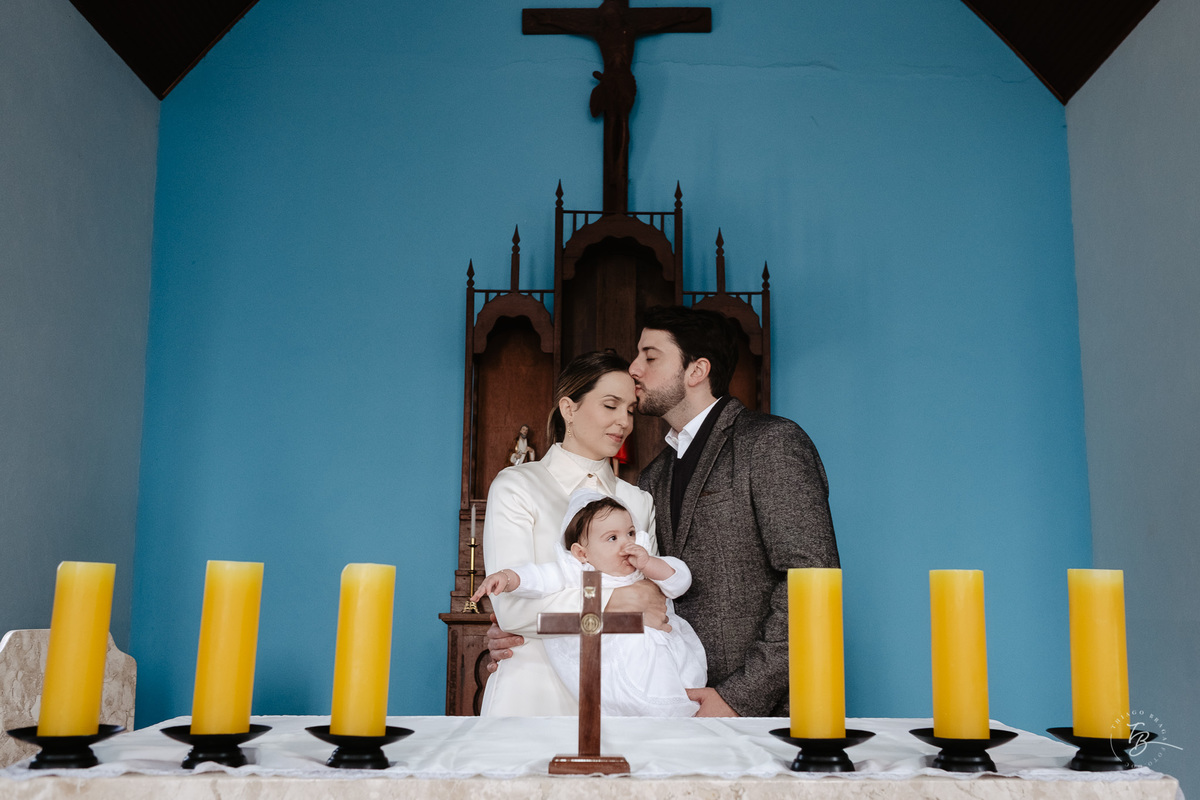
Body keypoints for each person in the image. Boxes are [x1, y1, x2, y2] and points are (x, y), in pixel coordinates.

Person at [629, 305, 840, 717]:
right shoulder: (652, 476)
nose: (634, 368)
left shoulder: (770, 443)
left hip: (764, 713)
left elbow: (811, 582)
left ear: (696, 371)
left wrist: (739, 698)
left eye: (650, 357)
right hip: (671, 703)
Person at [478, 351, 668, 716]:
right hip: (533, 691)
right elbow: (513, 610)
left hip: (622, 693)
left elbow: (656, 608)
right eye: (610, 405)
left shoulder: (638, 502)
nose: (623, 422)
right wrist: (616, 603)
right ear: (569, 408)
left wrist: (561, 608)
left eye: (629, 410)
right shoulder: (518, 485)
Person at [473, 488, 706, 717]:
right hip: (608, 659)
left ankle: (672, 707)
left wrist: (649, 564)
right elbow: (538, 578)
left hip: (659, 653)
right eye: (612, 538)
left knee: (671, 690)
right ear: (582, 554)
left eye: (631, 533)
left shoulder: (642, 569)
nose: (626, 544)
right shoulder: (577, 573)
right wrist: (507, 577)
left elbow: (680, 580)